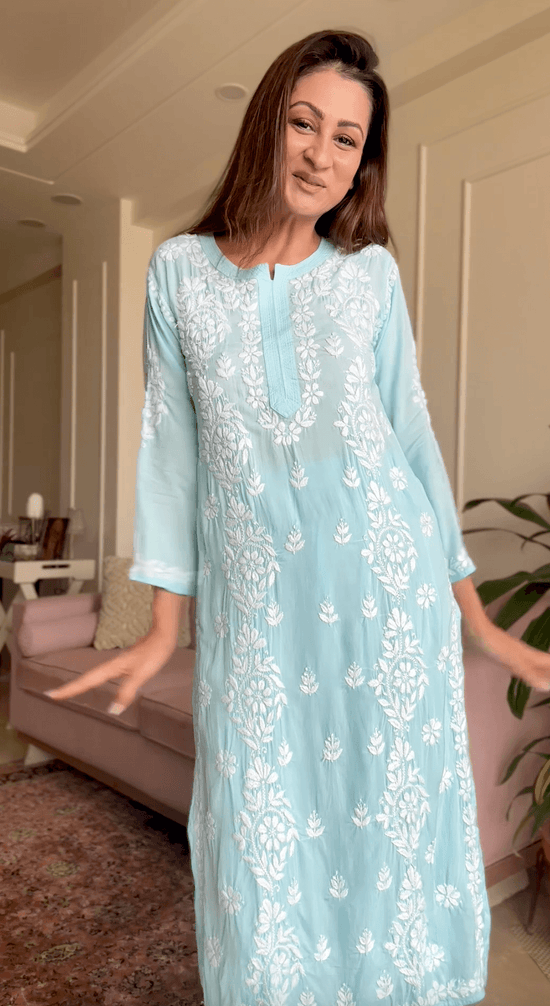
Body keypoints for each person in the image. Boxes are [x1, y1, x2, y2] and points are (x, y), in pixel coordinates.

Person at [46, 28, 550, 1006]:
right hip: (258, 616)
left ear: (364, 162)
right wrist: (163, 624)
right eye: (304, 123)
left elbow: (412, 439)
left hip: (388, 596)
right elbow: (171, 455)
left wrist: (475, 617)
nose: (322, 153)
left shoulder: (368, 278)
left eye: (347, 138)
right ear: (264, 124)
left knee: (387, 827)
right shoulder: (178, 273)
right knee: (258, 830)